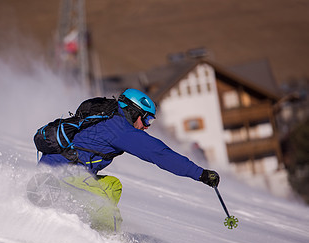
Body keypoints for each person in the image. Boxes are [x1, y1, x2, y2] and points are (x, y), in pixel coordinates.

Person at [35, 88, 220, 232]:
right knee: (105, 208)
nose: (147, 126)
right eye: (147, 120)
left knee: (112, 186)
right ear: (133, 112)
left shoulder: (110, 117)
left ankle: (85, 225)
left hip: (63, 168)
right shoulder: (120, 128)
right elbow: (160, 154)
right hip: (63, 171)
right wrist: (201, 174)